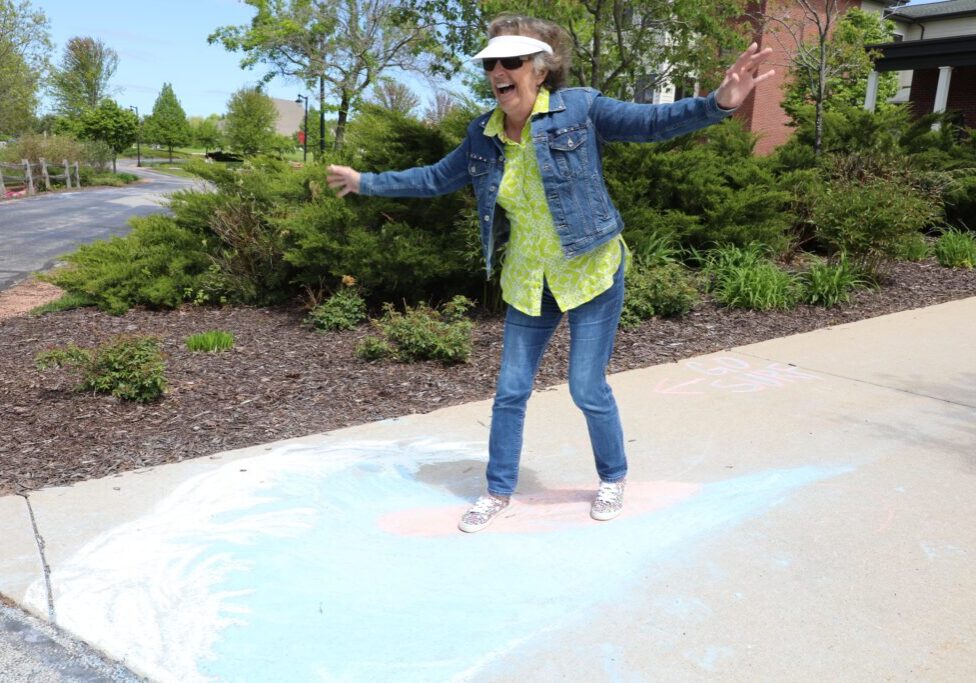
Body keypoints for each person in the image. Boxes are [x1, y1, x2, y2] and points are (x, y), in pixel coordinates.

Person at [327, 14, 773, 533]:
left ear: (539, 70)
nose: (498, 70)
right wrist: (367, 181)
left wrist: (718, 103)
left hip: (591, 269)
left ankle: (612, 478)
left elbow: (651, 123)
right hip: (528, 278)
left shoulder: (579, 108)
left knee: (586, 386)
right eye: (492, 62)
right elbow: (435, 178)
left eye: (511, 61)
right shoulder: (483, 135)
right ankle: (497, 490)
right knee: (510, 390)